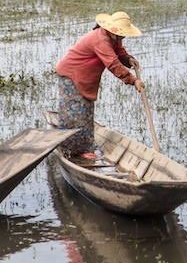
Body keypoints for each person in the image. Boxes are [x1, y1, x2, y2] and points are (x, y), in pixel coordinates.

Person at [54, 12, 145, 157]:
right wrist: (133, 81)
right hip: (72, 74)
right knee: (75, 113)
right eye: (121, 35)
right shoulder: (100, 39)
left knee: (86, 112)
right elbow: (113, 64)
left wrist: (128, 60)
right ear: (113, 30)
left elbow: (118, 51)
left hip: (85, 77)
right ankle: (72, 149)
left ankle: (85, 148)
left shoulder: (113, 36)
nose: (123, 37)